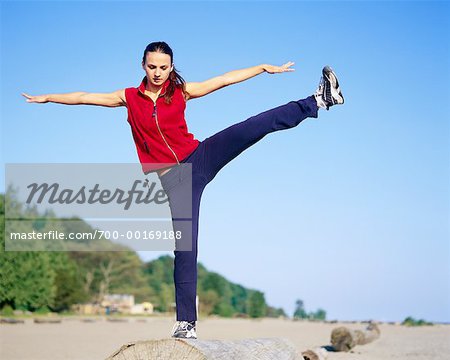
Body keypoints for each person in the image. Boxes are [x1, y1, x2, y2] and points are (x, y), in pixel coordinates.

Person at [22, 41, 344, 339]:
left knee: (251, 127)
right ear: (143, 66)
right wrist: (49, 98)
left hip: (199, 157)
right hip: (175, 181)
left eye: (164, 67)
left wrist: (261, 67)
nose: (158, 73)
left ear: (171, 67)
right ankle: (186, 323)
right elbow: (84, 97)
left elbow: (223, 80)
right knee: (185, 250)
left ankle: (318, 100)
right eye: (152, 67)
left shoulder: (180, 91)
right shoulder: (128, 98)